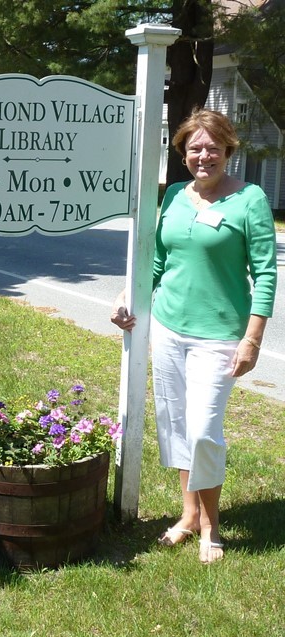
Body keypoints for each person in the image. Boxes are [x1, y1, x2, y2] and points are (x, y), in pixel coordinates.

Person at [111, 109, 277, 564]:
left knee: (205, 430)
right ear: (183, 153)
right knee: (177, 425)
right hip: (167, 328)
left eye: (213, 147)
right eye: (194, 148)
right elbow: (159, 262)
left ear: (228, 150)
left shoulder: (249, 200)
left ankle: (211, 524)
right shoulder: (175, 198)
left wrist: (252, 339)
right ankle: (187, 515)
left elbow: (265, 275)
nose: (204, 155)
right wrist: (129, 296)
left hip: (220, 336)